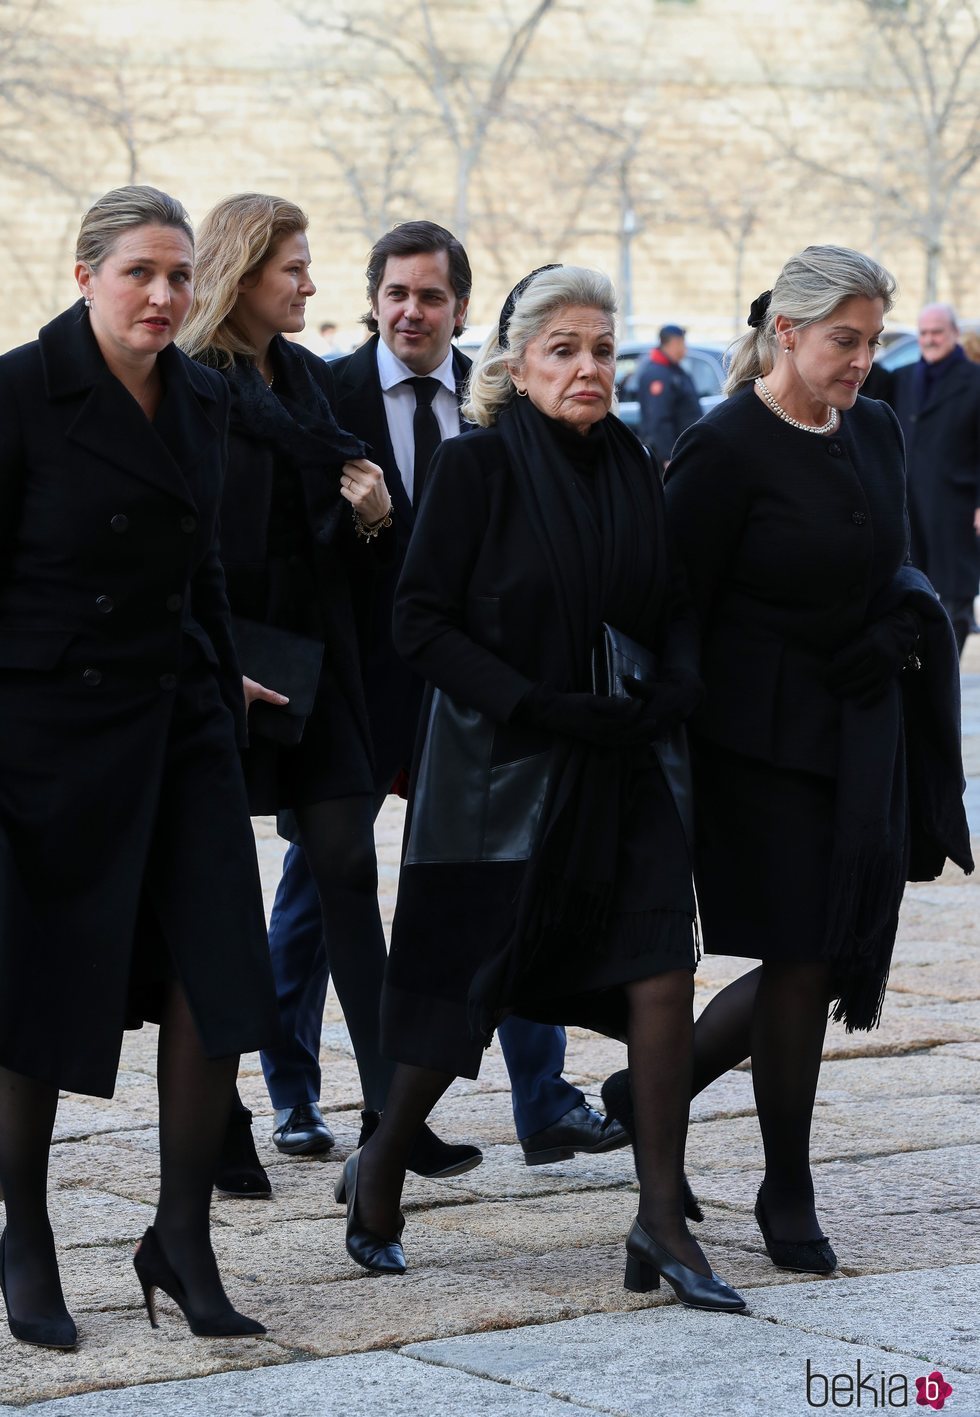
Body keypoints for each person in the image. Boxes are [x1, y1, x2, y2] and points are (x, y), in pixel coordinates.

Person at [335, 263, 746, 1314]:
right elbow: (419, 621)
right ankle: (381, 1163)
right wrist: (535, 704)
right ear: (516, 364)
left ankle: (657, 1217)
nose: (587, 367)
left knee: (659, 972)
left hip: (623, 765)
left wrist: (681, 679)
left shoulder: (635, 464)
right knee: (468, 981)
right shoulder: (477, 470)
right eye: (563, 348)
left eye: (601, 349)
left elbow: (671, 600)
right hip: (503, 771)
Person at [264, 221, 626, 1170]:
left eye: (431, 296)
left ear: (463, 307)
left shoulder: (503, 400)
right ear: (373, 299)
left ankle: (542, 1102)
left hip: (469, 695)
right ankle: (295, 1095)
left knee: (503, 881)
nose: (412, 312)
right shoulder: (322, 391)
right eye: (396, 294)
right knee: (319, 887)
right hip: (352, 686)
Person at [648, 246, 972, 1276]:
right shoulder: (722, 444)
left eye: (873, 341)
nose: (863, 362)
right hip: (757, 743)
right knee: (797, 958)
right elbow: (676, 608)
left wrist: (892, 629)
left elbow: (896, 559)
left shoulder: (874, 426)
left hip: (860, 731)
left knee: (830, 952)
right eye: (845, 340)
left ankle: (649, 1088)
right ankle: (784, 1181)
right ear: (783, 332)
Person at [0, 185, 278, 1349]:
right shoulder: (17, 393)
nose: (164, 296)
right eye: (138, 274)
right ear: (84, 277)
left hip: (183, 728)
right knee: (33, 994)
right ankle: (26, 1232)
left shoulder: (207, 397)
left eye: (178, 276)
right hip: (47, 740)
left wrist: (224, 681)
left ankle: (181, 1234)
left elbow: (199, 563)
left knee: (214, 982)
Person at [179, 196, 476, 1191]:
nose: (310, 285)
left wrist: (374, 520)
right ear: (244, 271)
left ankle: (393, 1114)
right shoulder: (187, 386)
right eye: (293, 269)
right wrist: (212, 662)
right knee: (209, 893)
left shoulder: (307, 384)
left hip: (318, 667)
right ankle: (217, 1108)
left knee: (347, 864)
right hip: (217, 667)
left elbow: (351, 544)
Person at [890, 303, 980, 656]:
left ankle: (949, 667)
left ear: (955, 334)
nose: (929, 339)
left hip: (956, 503)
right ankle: (919, 663)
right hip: (909, 501)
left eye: (937, 332)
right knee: (914, 585)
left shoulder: (974, 381)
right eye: (924, 333)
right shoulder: (904, 377)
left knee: (956, 593)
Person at [637, 323, 702, 472]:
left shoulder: (673, 370)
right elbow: (659, 419)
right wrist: (668, 457)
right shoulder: (658, 374)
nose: (685, 347)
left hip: (684, 450)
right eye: (682, 342)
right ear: (673, 343)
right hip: (670, 458)